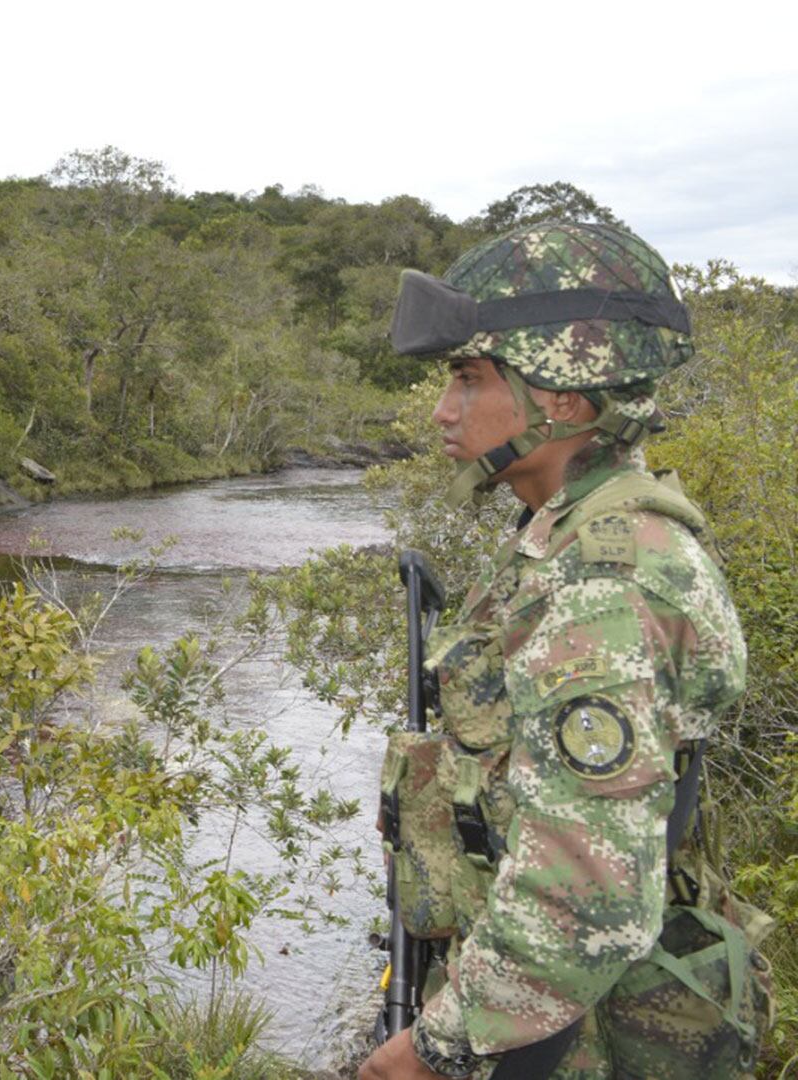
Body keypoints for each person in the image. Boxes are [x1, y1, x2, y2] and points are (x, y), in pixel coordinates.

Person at [359, 221, 774, 1079]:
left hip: (569, 1032)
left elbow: (587, 892)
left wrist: (435, 1050)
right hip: (549, 1011)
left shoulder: (607, 581)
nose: (443, 411)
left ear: (566, 403)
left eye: (469, 381)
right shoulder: (561, 534)